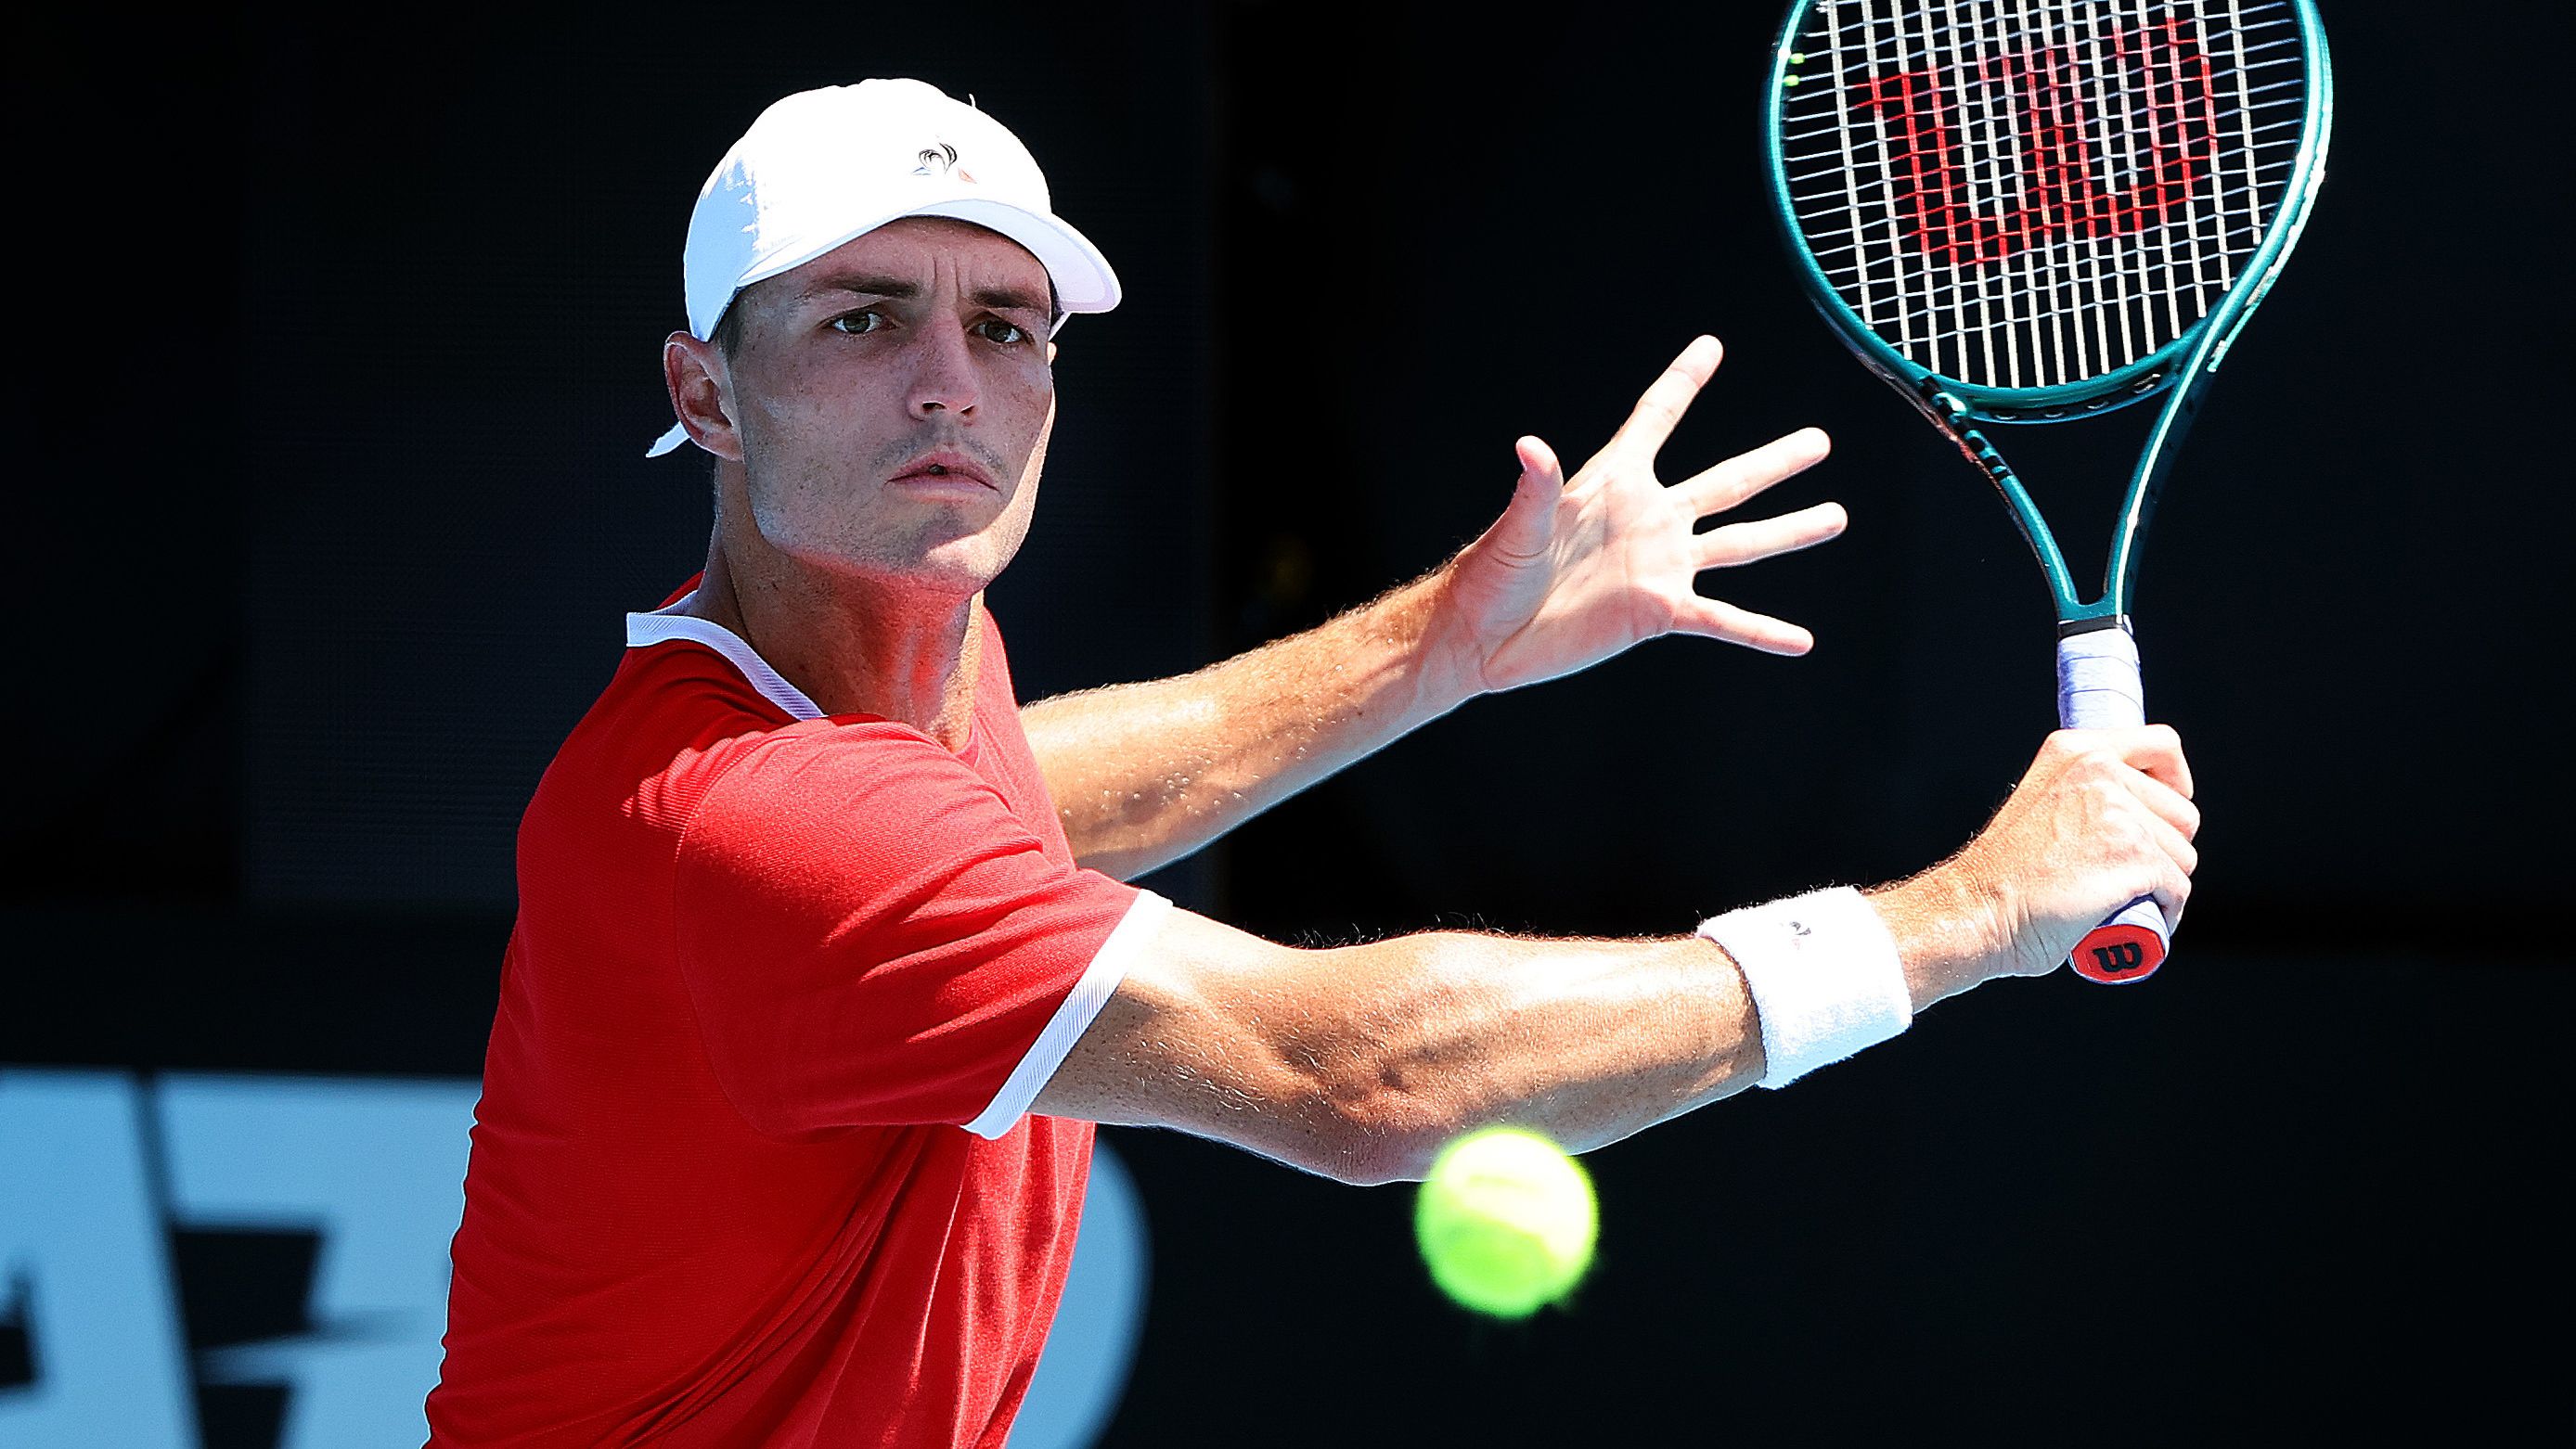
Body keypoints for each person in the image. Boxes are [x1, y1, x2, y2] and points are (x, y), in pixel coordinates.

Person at [426, 79, 2198, 1447]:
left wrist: (1439, 650)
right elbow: (1362, 1076)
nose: (952, 385)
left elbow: (1017, 790)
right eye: (863, 320)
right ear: (708, 391)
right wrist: (1966, 914)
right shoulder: (760, 827)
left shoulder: (867, 655)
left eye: (1008, 323)